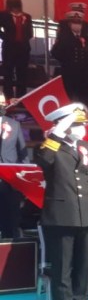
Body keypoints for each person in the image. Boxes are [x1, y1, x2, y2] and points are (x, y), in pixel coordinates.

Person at [35, 104, 88, 300]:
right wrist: (60, 129)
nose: (81, 128)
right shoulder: (50, 146)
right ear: (64, 126)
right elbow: (44, 159)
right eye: (76, 124)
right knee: (62, 268)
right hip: (61, 216)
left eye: (83, 124)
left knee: (84, 267)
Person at [0, 96, 28, 238]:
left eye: (2, 103)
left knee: (11, 218)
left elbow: (23, 152)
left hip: (10, 179)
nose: (1, 105)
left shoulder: (14, 124)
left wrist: (24, 178)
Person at [0, 0, 33, 98]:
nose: (15, 0)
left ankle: (21, 99)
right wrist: (6, 37)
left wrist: (24, 39)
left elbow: (30, 33)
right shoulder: (3, 15)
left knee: (22, 75)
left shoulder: (27, 16)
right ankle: (9, 98)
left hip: (23, 49)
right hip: (9, 49)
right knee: (8, 75)